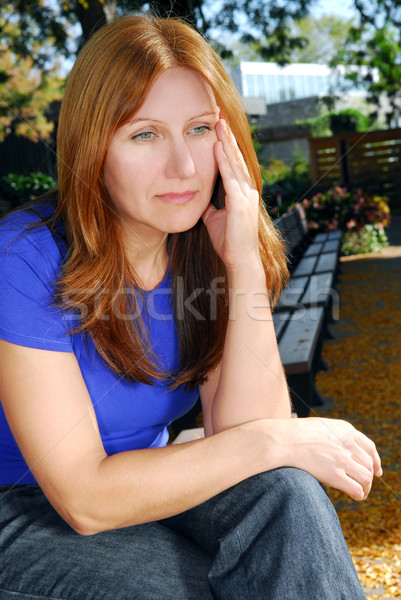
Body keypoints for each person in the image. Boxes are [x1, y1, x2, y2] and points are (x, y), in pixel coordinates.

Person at [0, 15, 381, 600]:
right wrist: (276, 440)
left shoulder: (201, 249)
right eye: (145, 134)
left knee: (287, 494)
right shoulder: (24, 258)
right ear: (93, 147)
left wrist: (245, 263)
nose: (182, 167)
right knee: (185, 587)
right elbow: (83, 497)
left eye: (200, 129)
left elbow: (248, 437)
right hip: (21, 505)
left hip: (147, 478)